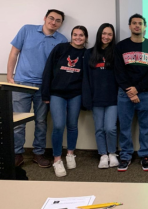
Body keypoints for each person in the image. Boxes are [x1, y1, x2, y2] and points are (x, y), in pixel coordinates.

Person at [7, 9, 68, 168]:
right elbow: (14, 53)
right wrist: (9, 76)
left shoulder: (62, 40)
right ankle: (17, 154)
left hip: (44, 87)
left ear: (61, 24)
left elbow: (60, 67)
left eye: (58, 20)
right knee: (18, 122)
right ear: (45, 18)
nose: (53, 22)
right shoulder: (27, 29)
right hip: (22, 84)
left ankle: (38, 154)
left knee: (41, 121)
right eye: (51, 18)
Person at [115, 14, 148, 172]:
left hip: (145, 93)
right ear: (129, 26)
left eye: (140, 23)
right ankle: (125, 156)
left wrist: (137, 89)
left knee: (145, 128)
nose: (137, 26)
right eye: (134, 23)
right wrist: (130, 90)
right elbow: (118, 71)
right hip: (124, 94)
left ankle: (145, 155)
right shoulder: (120, 46)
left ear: (144, 26)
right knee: (125, 127)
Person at [42, 25, 88, 177]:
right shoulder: (60, 48)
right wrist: (45, 94)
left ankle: (70, 154)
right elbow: (48, 70)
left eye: (81, 35)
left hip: (75, 94)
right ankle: (57, 159)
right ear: (71, 36)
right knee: (59, 126)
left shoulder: (86, 54)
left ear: (85, 38)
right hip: (57, 94)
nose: (78, 37)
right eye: (75, 35)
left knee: (72, 125)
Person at [82, 23, 119, 169]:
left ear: (113, 36)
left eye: (110, 34)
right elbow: (86, 77)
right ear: (99, 34)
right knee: (99, 128)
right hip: (95, 97)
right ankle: (103, 155)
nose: (106, 37)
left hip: (113, 98)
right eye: (104, 33)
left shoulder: (116, 53)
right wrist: (87, 98)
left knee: (110, 128)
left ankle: (112, 153)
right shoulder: (89, 53)